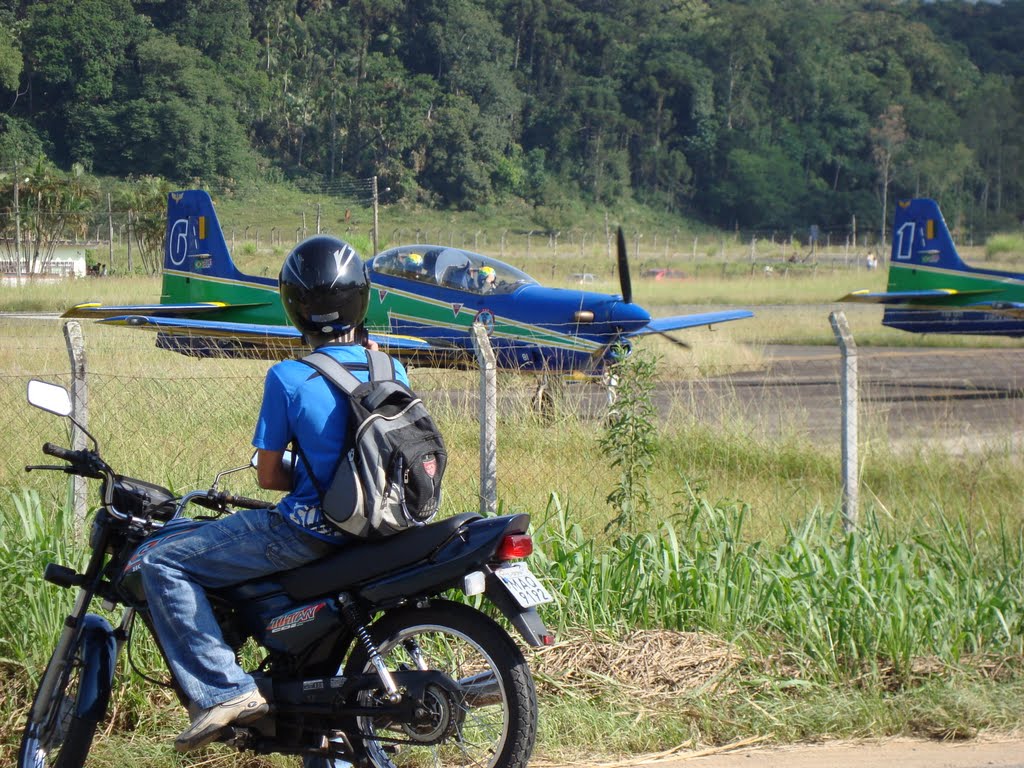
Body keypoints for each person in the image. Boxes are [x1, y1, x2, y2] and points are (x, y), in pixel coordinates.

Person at [138, 235, 409, 758]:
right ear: (362, 299)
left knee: (164, 563)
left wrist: (312, 474)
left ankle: (225, 689)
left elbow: (266, 476)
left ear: (295, 306)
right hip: (381, 527)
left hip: (308, 532)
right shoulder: (389, 367)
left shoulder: (288, 376)